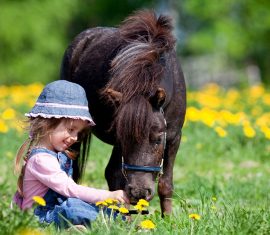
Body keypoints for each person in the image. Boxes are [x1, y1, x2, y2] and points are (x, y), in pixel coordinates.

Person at [12, 80, 129, 229]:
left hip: (56, 210)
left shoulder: (57, 154)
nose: (75, 138)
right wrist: (108, 196)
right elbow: (70, 189)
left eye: (78, 132)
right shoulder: (41, 160)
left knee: (79, 205)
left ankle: (112, 220)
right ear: (47, 123)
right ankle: (108, 221)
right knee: (73, 208)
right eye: (70, 129)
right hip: (40, 219)